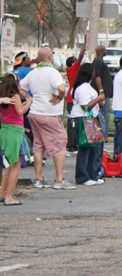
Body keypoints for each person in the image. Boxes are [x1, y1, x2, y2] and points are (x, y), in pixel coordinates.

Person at [20, 47, 75, 189]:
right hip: (49, 114)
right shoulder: (53, 73)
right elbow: (62, 89)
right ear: (50, 57)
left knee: (38, 145)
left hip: (34, 113)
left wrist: (28, 97)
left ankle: (38, 179)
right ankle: (59, 180)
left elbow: (18, 86)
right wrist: (59, 97)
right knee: (59, 144)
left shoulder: (33, 73)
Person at [70, 63, 105, 186]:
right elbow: (85, 106)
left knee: (94, 148)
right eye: (94, 70)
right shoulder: (83, 88)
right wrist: (99, 98)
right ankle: (82, 177)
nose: (95, 73)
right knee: (85, 148)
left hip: (91, 118)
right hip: (83, 118)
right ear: (90, 72)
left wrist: (98, 102)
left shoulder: (86, 86)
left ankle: (92, 175)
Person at [0, 74, 32, 205]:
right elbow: (20, 111)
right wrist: (28, 103)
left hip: (5, 129)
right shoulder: (15, 96)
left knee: (10, 165)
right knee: (16, 165)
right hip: (15, 131)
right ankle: (9, 196)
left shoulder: (3, 98)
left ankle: (3, 193)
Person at [65, 34, 88, 154]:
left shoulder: (70, 71)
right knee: (73, 122)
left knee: (72, 121)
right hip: (72, 99)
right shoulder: (73, 69)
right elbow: (80, 56)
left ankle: (72, 143)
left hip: (71, 97)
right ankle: (72, 143)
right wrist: (84, 44)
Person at [92, 45, 114, 136]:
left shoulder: (100, 61)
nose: (106, 51)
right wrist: (101, 91)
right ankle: (102, 134)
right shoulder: (97, 61)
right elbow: (97, 77)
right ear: (101, 51)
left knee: (105, 113)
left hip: (105, 93)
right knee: (105, 114)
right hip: (103, 94)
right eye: (105, 50)